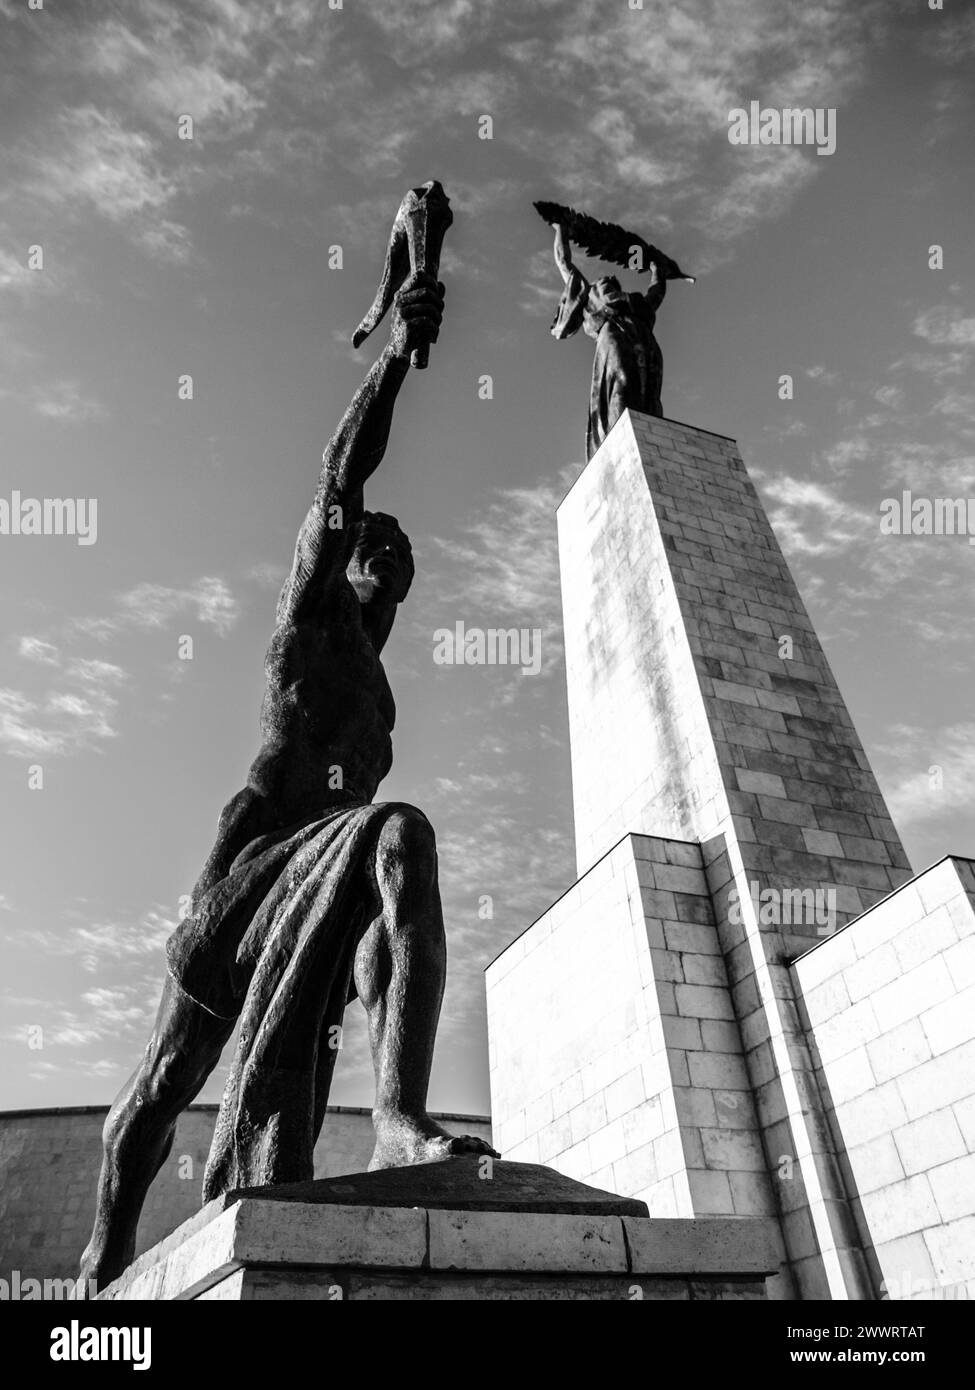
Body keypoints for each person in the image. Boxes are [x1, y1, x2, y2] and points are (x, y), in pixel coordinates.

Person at [80, 270, 497, 1291]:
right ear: (345, 558)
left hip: (329, 869)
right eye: (378, 544)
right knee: (167, 1076)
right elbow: (338, 476)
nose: (393, 554)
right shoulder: (311, 621)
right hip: (251, 868)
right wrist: (397, 355)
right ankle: (106, 1241)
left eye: (405, 554)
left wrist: (365, 964)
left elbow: (375, 885)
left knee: (399, 847)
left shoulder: (385, 700)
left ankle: (395, 1116)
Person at [550, 220, 667, 459]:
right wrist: (560, 228)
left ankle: (649, 439)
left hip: (644, 342)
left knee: (648, 395)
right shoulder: (590, 296)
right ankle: (619, 439)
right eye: (603, 281)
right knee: (621, 381)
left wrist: (657, 271)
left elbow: (655, 294)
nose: (607, 281)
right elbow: (564, 262)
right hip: (612, 338)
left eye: (611, 282)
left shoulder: (634, 302)